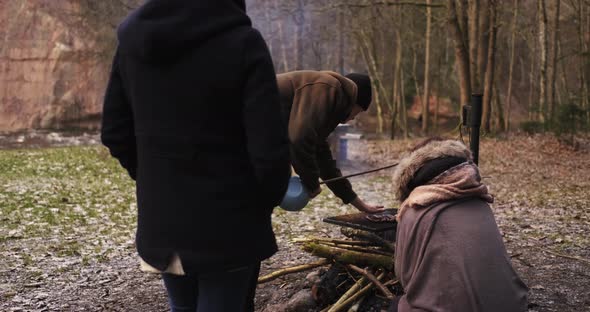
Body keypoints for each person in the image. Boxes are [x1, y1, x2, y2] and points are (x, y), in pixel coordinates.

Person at [100, 0, 291, 311]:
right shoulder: (243, 42)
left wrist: (154, 177)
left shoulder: (134, 41)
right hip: (230, 224)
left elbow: (114, 132)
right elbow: (269, 148)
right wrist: (261, 202)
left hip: (163, 218)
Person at [389, 138, 528, 312]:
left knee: (396, 305)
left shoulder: (413, 209)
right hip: (513, 306)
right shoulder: (481, 204)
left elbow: (403, 275)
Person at [277, 70, 383, 213]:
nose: (353, 118)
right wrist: (311, 181)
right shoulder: (327, 88)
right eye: (358, 112)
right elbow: (299, 139)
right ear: (354, 101)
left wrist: (361, 205)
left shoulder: (325, 99)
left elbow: (323, 160)